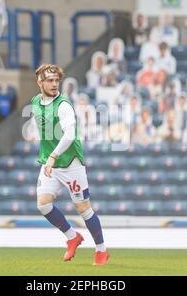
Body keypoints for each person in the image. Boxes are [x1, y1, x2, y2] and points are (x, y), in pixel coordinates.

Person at [30, 64, 109, 265]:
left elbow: (70, 134)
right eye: (50, 80)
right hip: (51, 164)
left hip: (70, 164)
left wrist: (52, 156)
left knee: (84, 209)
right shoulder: (35, 102)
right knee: (44, 205)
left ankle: (101, 250)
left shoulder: (63, 105)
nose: (55, 84)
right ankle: (72, 236)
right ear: (40, 82)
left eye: (57, 80)